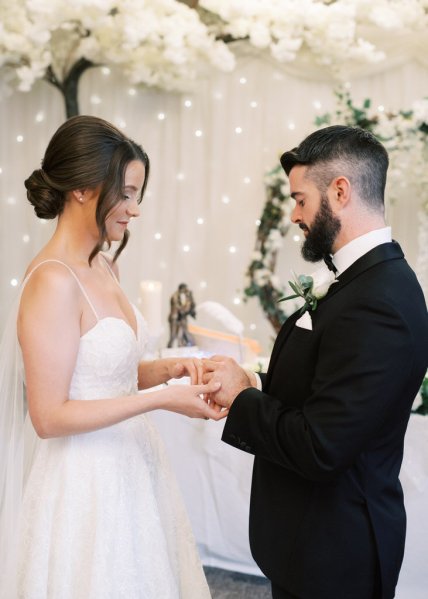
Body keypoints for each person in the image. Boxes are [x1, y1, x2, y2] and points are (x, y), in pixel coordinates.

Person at [0, 115, 225, 599]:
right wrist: (162, 400)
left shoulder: (104, 264)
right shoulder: (52, 280)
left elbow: (105, 376)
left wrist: (168, 370)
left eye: (136, 194)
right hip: (85, 483)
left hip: (134, 466)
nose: (134, 210)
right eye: (124, 193)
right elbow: (49, 415)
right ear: (82, 188)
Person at [203, 125, 428, 599]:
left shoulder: (379, 300)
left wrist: (244, 400)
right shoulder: (361, 282)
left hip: (337, 556)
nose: (294, 214)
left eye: (301, 199)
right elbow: (327, 385)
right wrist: (255, 380)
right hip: (311, 541)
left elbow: (322, 444)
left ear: (340, 191)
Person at [167, 283, 196, 348]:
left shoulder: (183, 296)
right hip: (174, 318)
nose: (186, 290)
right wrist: (185, 307)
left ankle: (182, 346)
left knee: (181, 334)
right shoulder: (174, 296)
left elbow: (188, 307)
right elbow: (177, 307)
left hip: (181, 318)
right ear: (182, 289)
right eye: (185, 289)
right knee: (173, 335)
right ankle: (169, 348)